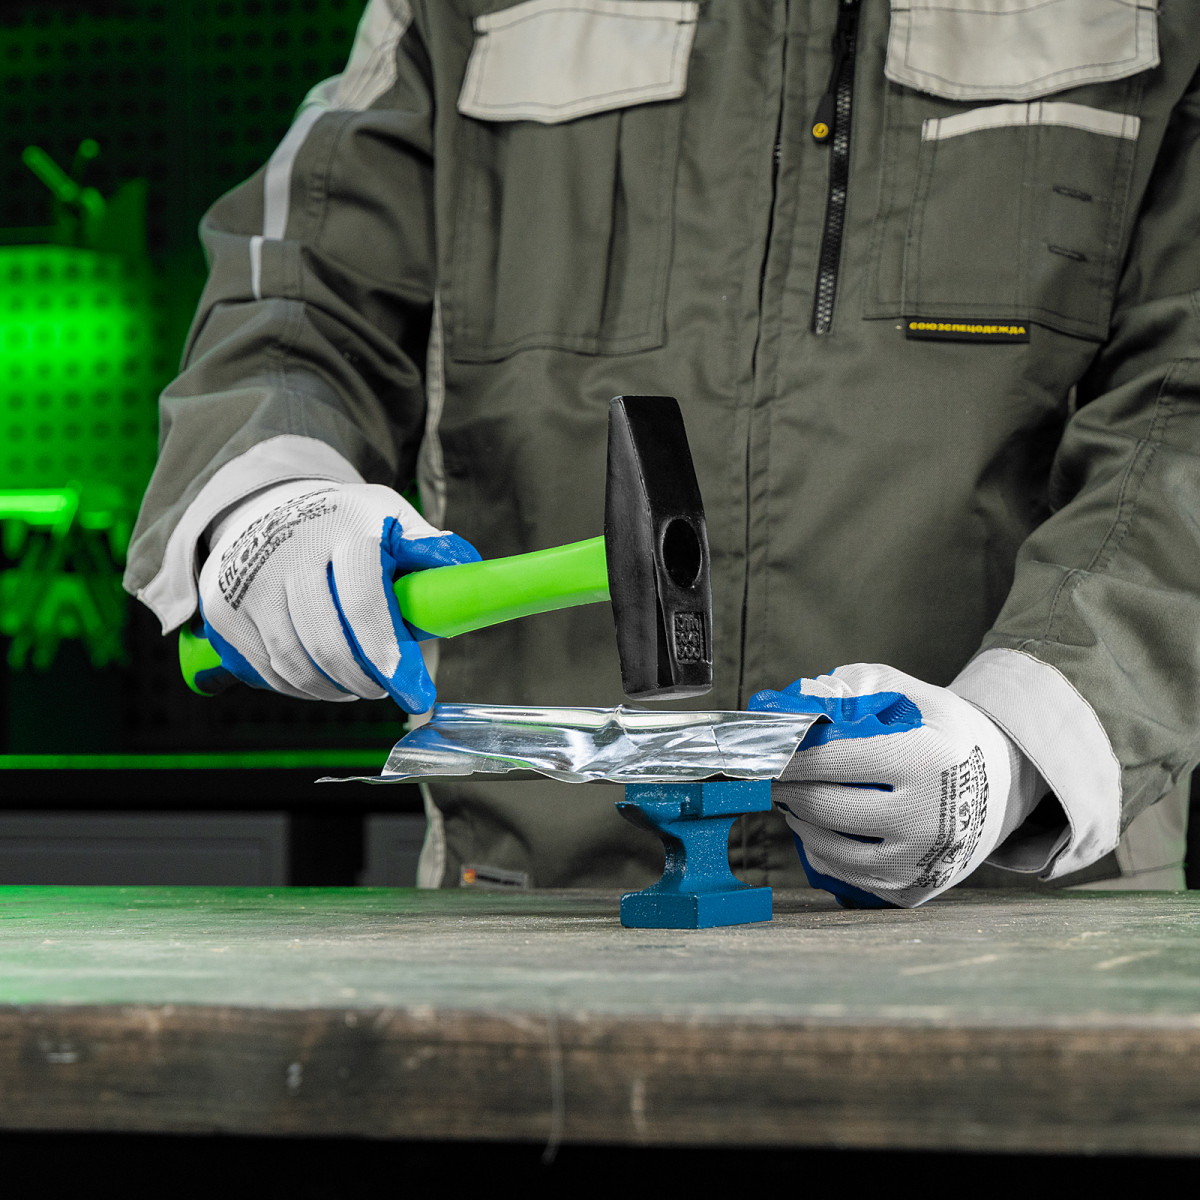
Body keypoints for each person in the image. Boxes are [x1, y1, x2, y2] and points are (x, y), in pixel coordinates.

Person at [124, 0, 1200, 905]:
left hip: (1024, 909)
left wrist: (1024, 739)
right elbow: (299, 291)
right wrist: (270, 501)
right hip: (530, 913)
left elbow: (1185, 406)